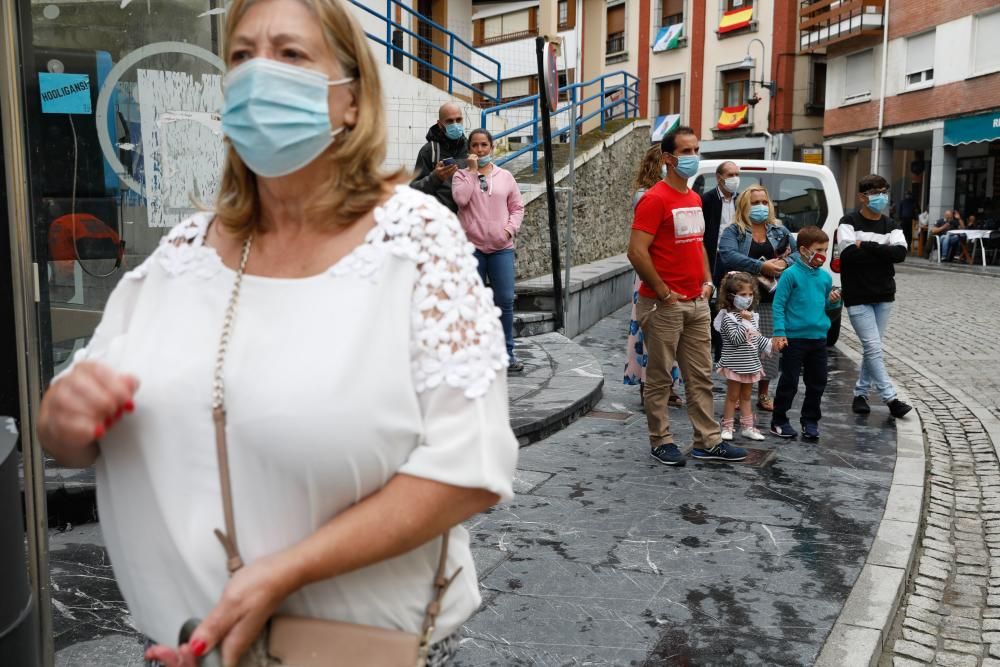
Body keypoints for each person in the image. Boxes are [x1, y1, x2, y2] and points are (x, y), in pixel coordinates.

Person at [36, 1, 519, 666]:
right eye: (241, 56)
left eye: (291, 55)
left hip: (348, 646)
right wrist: (65, 419)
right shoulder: (184, 252)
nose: (260, 75)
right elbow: (79, 423)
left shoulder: (415, 241)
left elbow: (472, 468)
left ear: (351, 99)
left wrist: (285, 570)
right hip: (189, 646)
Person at [628, 126, 747, 467]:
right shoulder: (654, 198)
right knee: (661, 377)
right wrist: (664, 293)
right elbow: (637, 252)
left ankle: (707, 441)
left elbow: (698, 247)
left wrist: (708, 281)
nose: (693, 156)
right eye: (686, 151)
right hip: (664, 304)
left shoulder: (694, 198)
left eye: (697, 149)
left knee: (700, 376)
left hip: (696, 302)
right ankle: (661, 440)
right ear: (668, 158)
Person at [837, 174, 912, 420]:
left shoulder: (892, 225)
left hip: (884, 294)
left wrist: (866, 246)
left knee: (874, 348)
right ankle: (891, 398)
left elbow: (900, 254)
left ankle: (860, 393)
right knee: (872, 346)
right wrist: (882, 252)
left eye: (884, 191)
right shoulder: (848, 222)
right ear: (862, 196)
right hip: (857, 294)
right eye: (875, 192)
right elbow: (848, 257)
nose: (881, 197)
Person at [452, 128, 525, 373]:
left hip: (501, 248)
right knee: (471, 302)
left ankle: (507, 353)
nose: (480, 150)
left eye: (484, 145)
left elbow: (517, 207)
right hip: (472, 248)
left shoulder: (505, 177)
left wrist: (509, 230)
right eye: (475, 145)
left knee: (504, 301)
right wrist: (472, 173)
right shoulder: (461, 176)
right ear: (469, 148)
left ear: (491, 147)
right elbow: (461, 201)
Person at [716, 185, 792, 413]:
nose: (760, 206)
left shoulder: (779, 230)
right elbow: (728, 254)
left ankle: (763, 393)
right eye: (755, 202)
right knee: (740, 347)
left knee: (768, 347)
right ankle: (737, 394)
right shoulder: (734, 231)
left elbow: (799, 252)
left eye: (764, 202)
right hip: (742, 298)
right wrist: (761, 265)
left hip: (771, 297)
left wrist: (783, 263)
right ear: (744, 206)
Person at [770, 226, 842, 441]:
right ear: (803, 250)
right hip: (795, 338)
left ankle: (810, 421)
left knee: (817, 381)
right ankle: (779, 420)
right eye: (819, 249)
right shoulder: (790, 275)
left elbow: (826, 307)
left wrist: (834, 302)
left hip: (818, 338)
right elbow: (779, 305)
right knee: (789, 381)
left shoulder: (824, 278)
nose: (823, 254)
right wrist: (779, 332)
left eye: (827, 249)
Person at [624, 145, 683, 408]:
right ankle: (649, 386)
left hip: (673, 269)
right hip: (651, 269)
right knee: (650, 329)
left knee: (673, 330)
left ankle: (667, 384)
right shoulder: (646, 195)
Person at [714, 271, 781, 442]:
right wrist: (745, 322)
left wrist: (772, 345)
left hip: (750, 364)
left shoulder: (753, 317)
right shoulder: (728, 318)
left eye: (750, 294)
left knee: (746, 397)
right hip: (735, 364)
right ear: (731, 296)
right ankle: (727, 426)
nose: (748, 298)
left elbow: (756, 339)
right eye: (743, 294)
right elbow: (736, 339)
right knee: (732, 397)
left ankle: (748, 427)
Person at [701, 160, 740, 363]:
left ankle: (728, 349)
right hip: (713, 258)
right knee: (713, 303)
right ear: (719, 177)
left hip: (734, 258)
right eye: (730, 174)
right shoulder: (707, 200)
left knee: (732, 302)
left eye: (737, 174)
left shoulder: (740, 201)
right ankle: (713, 346)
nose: (735, 179)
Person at [411, 102, 468, 212]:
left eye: (458, 120)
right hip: (441, 221)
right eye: (450, 121)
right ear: (439, 124)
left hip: (469, 223)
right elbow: (414, 191)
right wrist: (435, 178)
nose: (455, 125)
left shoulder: (471, 148)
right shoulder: (429, 151)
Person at [898, 190, 916, 254]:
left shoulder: (904, 202)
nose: (907, 196)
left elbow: (900, 211)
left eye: (907, 194)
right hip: (908, 219)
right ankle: (907, 246)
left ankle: (905, 246)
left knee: (906, 233)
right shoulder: (911, 202)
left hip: (906, 219)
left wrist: (900, 218)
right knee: (908, 233)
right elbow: (915, 211)